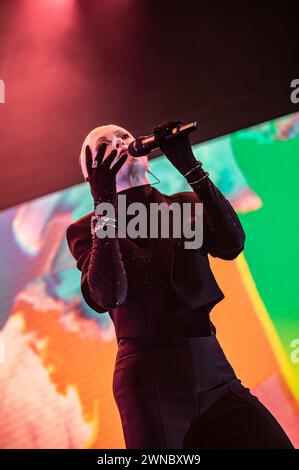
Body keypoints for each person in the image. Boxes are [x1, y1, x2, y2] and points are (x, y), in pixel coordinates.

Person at [66, 121, 294, 449]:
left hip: (211, 366)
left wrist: (189, 165)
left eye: (124, 136)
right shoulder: (87, 228)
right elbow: (109, 293)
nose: (119, 141)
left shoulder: (184, 205)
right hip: (150, 380)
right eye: (105, 142)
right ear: (91, 172)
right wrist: (104, 201)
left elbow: (232, 244)